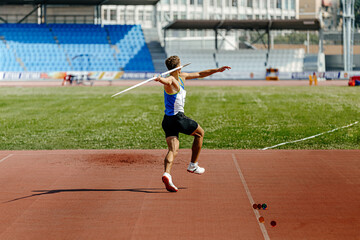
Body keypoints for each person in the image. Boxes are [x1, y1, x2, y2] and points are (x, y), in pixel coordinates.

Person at [155, 55, 231, 192]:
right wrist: (159, 79)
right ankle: (193, 165)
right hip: (178, 118)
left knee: (173, 150)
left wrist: (217, 70)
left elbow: (200, 74)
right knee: (200, 133)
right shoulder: (172, 79)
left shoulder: (182, 76)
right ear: (178, 66)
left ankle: (167, 174)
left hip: (167, 120)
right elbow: (167, 81)